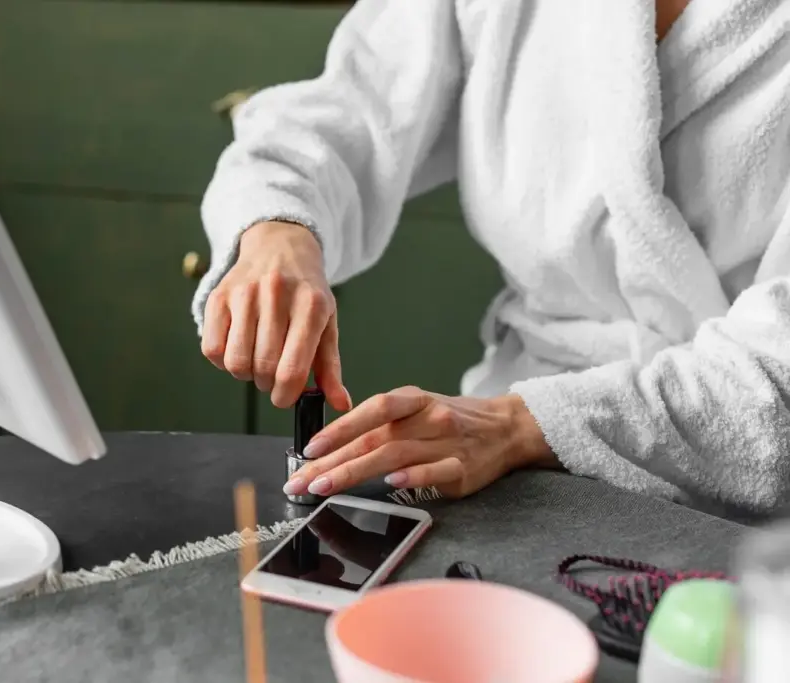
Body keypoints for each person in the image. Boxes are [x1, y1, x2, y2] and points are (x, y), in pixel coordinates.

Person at [191, 0, 790, 518]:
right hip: (501, 458)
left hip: (743, 504)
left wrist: (522, 425)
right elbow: (343, 112)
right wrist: (279, 227)